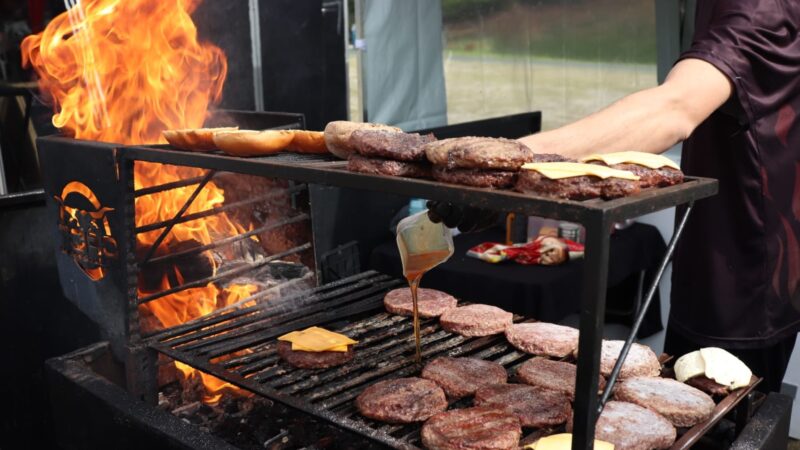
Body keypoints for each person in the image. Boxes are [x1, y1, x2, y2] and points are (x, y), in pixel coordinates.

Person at [430, 0, 800, 393]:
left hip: (746, 275)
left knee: (718, 421)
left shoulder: (762, 8)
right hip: (722, 255)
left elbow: (672, 108)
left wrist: (502, 168)